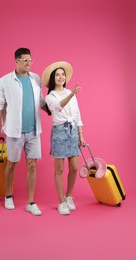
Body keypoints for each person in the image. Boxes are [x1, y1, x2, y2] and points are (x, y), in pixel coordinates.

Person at [0, 47, 46, 216]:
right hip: (14, 131)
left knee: (32, 165)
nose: (28, 63)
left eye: (30, 60)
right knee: (12, 164)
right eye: (25, 60)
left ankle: (31, 202)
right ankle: (8, 195)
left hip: (34, 131)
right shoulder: (4, 81)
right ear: (16, 61)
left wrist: (54, 109)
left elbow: (41, 101)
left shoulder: (36, 79)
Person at [42, 61, 85, 215]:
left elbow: (77, 114)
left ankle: (68, 196)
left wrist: (81, 134)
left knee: (74, 167)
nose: (61, 77)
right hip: (59, 132)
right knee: (59, 169)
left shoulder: (70, 92)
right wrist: (72, 93)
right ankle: (61, 202)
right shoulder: (50, 97)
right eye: (57, 75)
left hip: (73, 130)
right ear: (53, 78)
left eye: (62, 74)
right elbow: (58, 106)